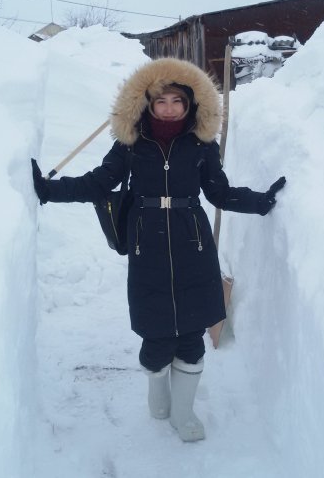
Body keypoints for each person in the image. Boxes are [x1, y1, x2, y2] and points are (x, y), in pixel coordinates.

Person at [31, 58, 286, 442]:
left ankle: (184, 413)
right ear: (148, 104)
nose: (169, 108)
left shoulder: (201, 144)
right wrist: (50, 190)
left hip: (193, 243)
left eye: (176, 101)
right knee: (156, 336)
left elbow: (218, 192)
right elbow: (99, 182)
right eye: (161, 101)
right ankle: (158, 389)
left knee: (192, 335)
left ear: (189, 104)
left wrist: (259, 201)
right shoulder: (132, 144)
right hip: (146, 242)